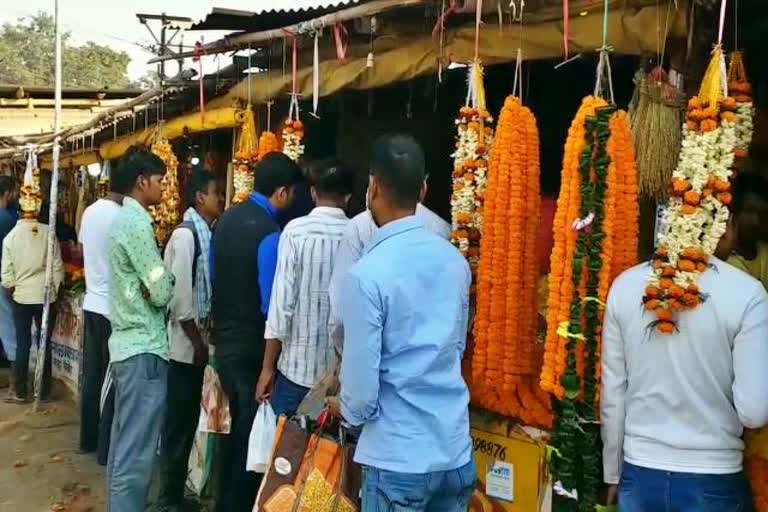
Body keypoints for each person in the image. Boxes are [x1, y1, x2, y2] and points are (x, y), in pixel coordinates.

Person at [335, 134, 476, 510]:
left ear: (373, 188)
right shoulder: (455, 263)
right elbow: (456, 349)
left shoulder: (366, 275)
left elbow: (361, 395)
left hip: (399, 458)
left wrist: (344, 411)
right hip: (454, 451)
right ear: (425, 188)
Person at [600, 205, 768, 509]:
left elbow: (613, 395)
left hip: (639, 476)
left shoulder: (625, 286)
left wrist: (612, 473)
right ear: (725, 225)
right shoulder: (748, 294)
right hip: (712, 477)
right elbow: (754, 412)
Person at [209, 152, 303, 512]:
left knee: (232, 432)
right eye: (292, 193)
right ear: (281, 192)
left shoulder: (226, 220)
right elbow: (271, 306)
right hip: (251, 349)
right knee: (249, 439)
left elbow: (213, 279)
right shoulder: (269, 234)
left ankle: (222, 503)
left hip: (225, 343)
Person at [256, 160, 355, 417]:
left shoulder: (295, 232)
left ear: (313, 193)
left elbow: (281, 307)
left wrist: (267, 369)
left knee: (284, 454)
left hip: (295, 372)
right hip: (338, 380)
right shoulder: (359, 236)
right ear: (348, 197)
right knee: (327, 454)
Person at [106, 147, 174, 512]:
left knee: (125, 447)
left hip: (130, 348)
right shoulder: (135, 225)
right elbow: (161, 290)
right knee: (137, 454)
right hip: (143, 348)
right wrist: (170, 278)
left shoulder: (127, 221)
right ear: (141, 181)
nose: (163, 188)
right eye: (160, 181)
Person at [328, 158, 450, 354]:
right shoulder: (442, 230)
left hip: (370, 357)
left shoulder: (360, 227)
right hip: (425, 363)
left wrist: (343, 350)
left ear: (373, 186)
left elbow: (341, 312)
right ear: (423, 187)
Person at [157, 170, 220, 511]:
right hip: (183, 348)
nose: (220, 200)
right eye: (215, 193)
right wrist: (198, 342)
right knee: (178, 425)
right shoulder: (186, 237)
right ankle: (168, 498)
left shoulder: (202, 233)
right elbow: (180, 298)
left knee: (182, 422)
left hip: (191, 344)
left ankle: (173, 493)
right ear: (200, 197)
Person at [78, 173, 127, 463]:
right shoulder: (122, 218)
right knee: (112, 381)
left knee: (92, 376)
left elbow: (85, 251)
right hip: (112, 308)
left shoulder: (90, 212)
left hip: (92, 301)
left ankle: (87, 440)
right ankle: (105, 451)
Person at [1, 179, 64, 403]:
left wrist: (13, 292)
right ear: (37, 210)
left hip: (21, 297)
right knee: (44, 344)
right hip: (45, 297)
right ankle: (43, 390)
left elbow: (6, 276)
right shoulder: (49, 233)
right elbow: (57, 268)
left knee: (23, 343)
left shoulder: (11, 238)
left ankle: (19, 391)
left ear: (19, 211)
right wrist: (53, 291)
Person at [723, 174, 768, 289]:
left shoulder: (764, 252)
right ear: (734, 213)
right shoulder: (723, 260)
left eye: (762, 213)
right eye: (749, 211)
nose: (756, 220)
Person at [0, 176, 18, 373]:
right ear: (7, 193)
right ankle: (15, 370)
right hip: (4, 278)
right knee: (8, 324)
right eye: (14, 191)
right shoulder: (7, 219)